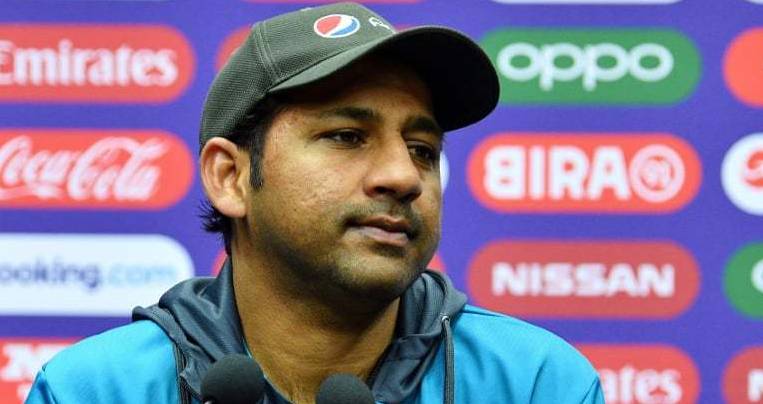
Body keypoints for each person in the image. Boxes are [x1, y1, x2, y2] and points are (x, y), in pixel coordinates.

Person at [26, 3, 604, 403]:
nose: (404, 176)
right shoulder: (95, 390)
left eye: (423, 149)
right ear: (230, 176)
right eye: (347, 137)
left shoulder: (535, 383)